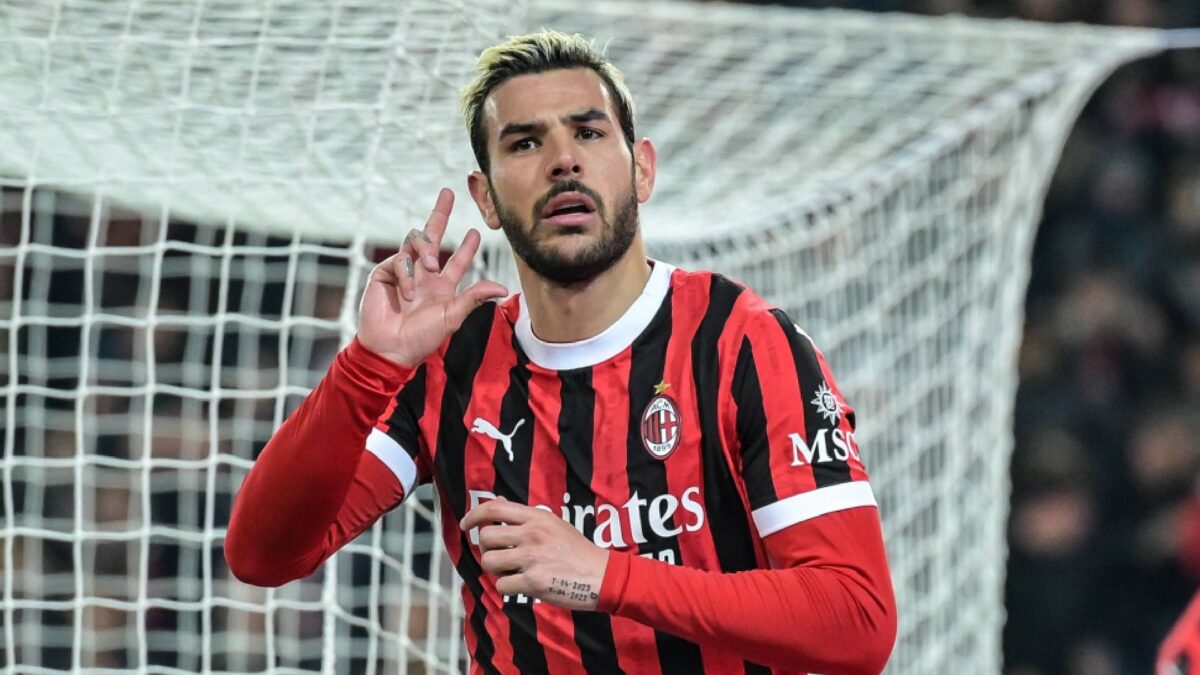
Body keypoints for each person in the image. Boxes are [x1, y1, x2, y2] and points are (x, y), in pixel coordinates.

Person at [225, 30, 896, 675]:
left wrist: (606, 576)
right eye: (525, 142)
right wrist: (370, 365)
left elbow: (857, 621)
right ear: (486, 198)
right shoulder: (451, 363)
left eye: (589, 132)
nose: (563, 160)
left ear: (641, 169)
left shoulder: (741, 342)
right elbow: (262, 556)